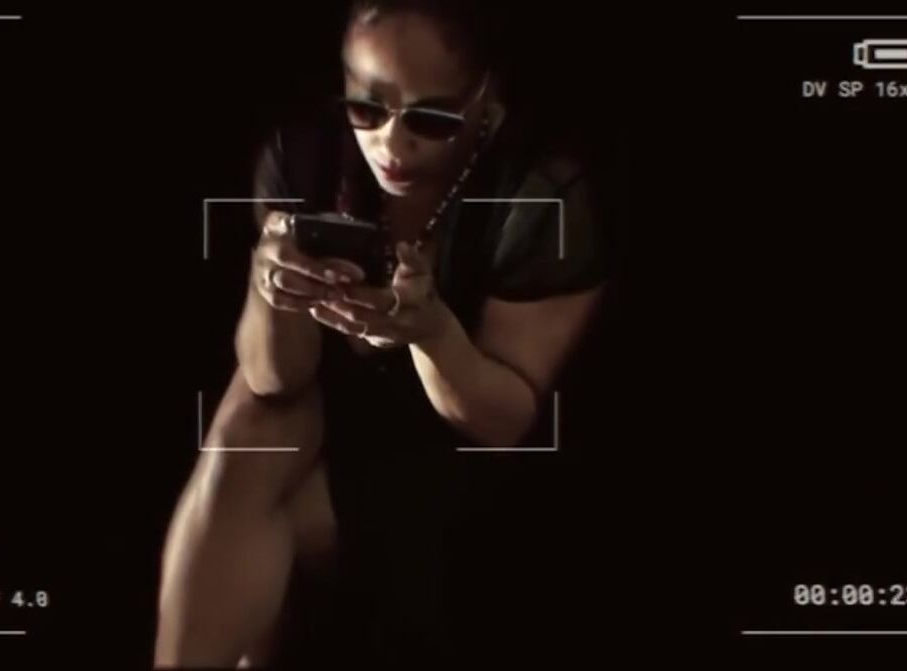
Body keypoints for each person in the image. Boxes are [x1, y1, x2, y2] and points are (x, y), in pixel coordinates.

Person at [156, 1, 610, 666]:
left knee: (256, 523)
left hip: (458, 448)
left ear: (483, 98)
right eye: (367, 109)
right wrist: (272, 290)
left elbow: (503, 423)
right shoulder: (303, 156)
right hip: (325, 415)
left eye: (431, 119)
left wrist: (432, 333)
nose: (392, 147)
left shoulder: (538, 194)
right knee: (246, 431)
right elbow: (274, 380)